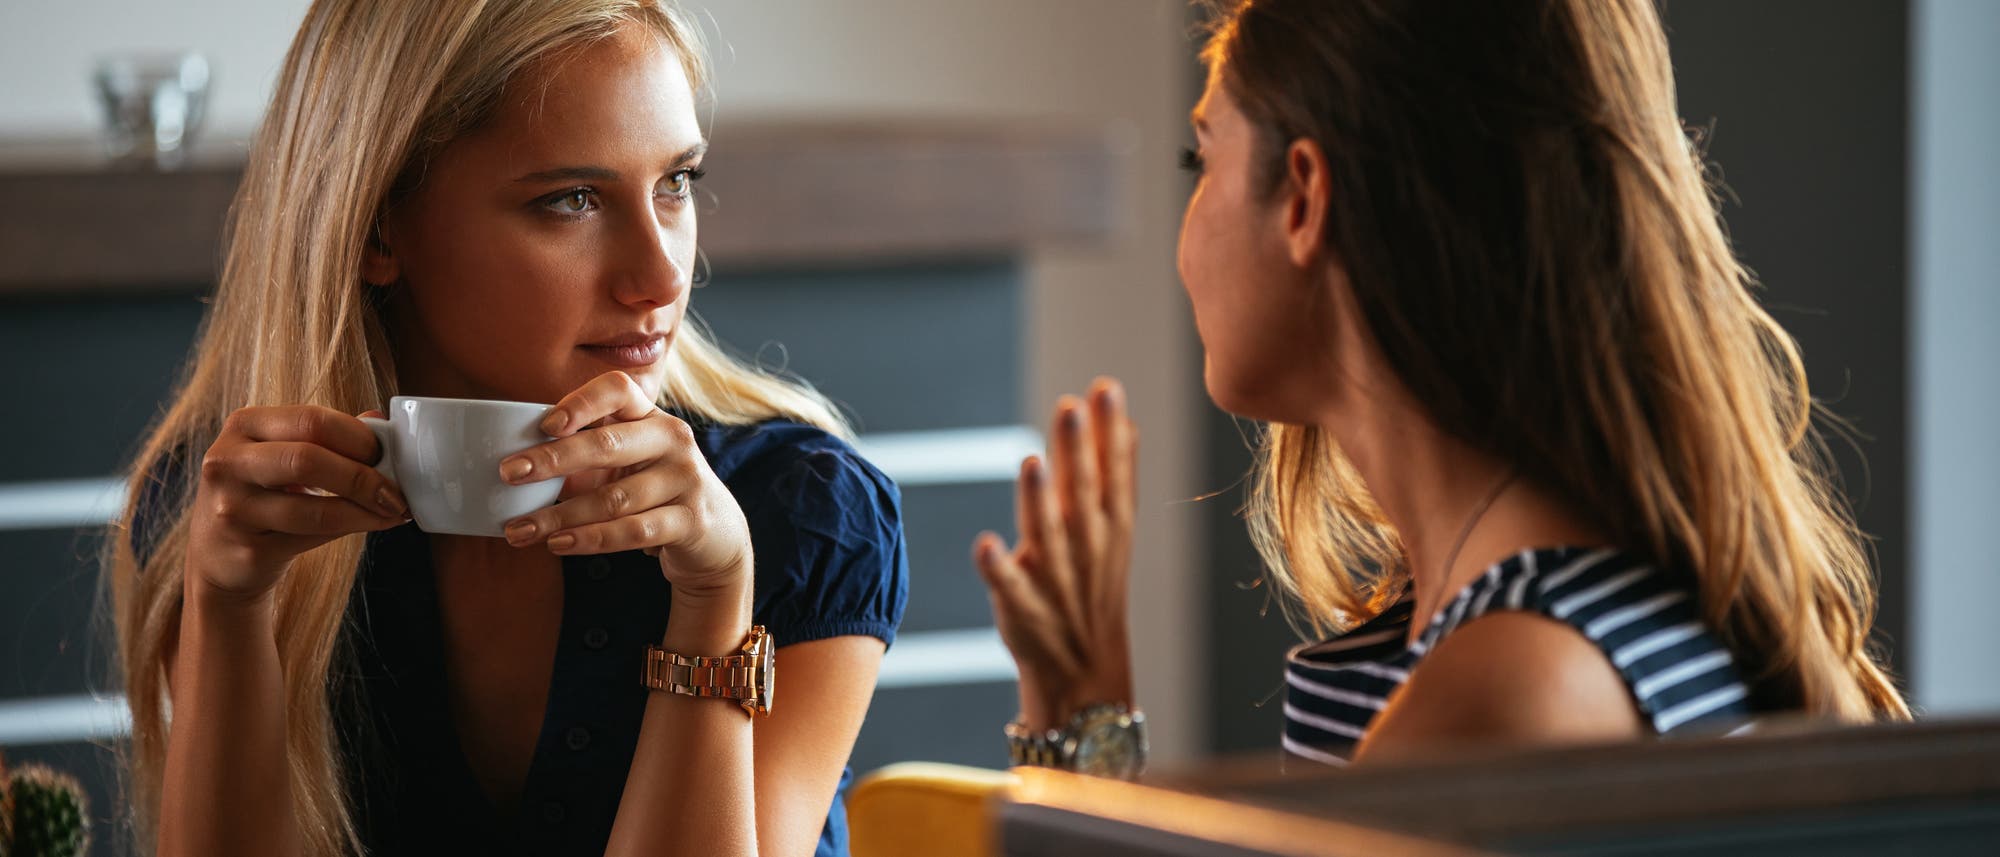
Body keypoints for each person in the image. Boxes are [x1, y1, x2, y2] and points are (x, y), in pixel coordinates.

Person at [974, 0, 1909, 776]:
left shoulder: (1512, 687)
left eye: (1200, 160)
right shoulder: (1549, 620)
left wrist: (1086, 731)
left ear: (1303, 198)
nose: (1183, 228)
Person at [107, 2, 908, 856]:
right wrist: (232, 609)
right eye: (572, 199)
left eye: (676, 182)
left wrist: (713, 604)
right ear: (379, 227)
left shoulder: (801, 517)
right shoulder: (248, 510)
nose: (661, 274)